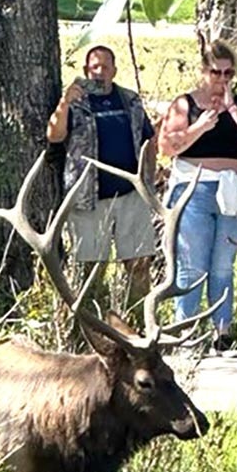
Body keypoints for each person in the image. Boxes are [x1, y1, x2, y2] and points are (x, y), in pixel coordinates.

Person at [156, 39, 237, 353]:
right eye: (216, 73)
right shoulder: (185, 104)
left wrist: (232, 109)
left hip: (233, 189)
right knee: (193, 265)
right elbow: (167, 146)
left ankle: (222, 332)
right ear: (204, 72)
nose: (222, 80)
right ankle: (184, 334)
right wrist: (199, 127)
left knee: (223, 265)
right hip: (195, 188)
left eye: (228, 73)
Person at [46, 45, 157, 313]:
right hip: (88, 199)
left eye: (105, 67)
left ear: (114, 71)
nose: (100, 72)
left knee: (139, 264)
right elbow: (54, 136)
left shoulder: (129, 100)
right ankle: (89, 326)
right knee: (91, 269)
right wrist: (64, 103)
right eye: (94, 67)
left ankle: (139, 325)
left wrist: (150, 183)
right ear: (86, 71)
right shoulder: (75, 104)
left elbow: (148, 139)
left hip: (131, 196)